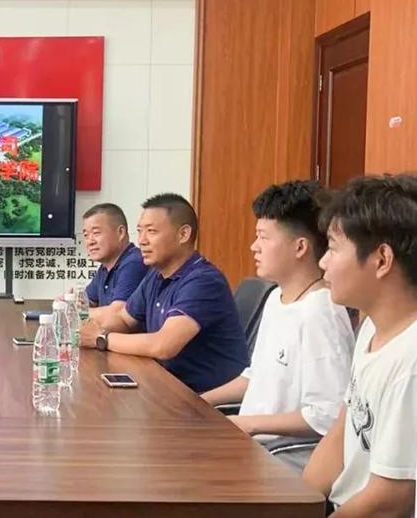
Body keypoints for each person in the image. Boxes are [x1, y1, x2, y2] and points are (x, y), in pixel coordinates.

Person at [201, 181, 355, 472]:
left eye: (263, 237)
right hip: (253, 448)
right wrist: (200, 402)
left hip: (284, 463)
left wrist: (250, 424)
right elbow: (257, 376)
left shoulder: (320, 313)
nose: (254, 246)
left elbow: (327, 414)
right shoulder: (276, 298)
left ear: (300, 247)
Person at [302, 174, 417, 517]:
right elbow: (341, 432)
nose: (322, 262)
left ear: (382, 260)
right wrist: (294, 506)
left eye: (333, 248)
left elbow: (391, 500)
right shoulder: (371, 327)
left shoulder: (410, 359)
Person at [80, 193, 248, 394]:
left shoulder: (203, 281)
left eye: (151, 231)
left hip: (204, 398)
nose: (142, 240)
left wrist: (101, 338)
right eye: (140, 231)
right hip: (166, 386)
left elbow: (163, 345)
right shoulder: (155, 275)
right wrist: (83, 331)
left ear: (183, 234)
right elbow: (124, 319)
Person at [80, 203, 148, 318]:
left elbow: (116, 314)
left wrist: (76, 313)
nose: (90, 241)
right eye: (86, 235)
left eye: (96, 233)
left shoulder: (134, 263)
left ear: (120, 232)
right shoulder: (105, 267)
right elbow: (88, 301)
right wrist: (70, 301)